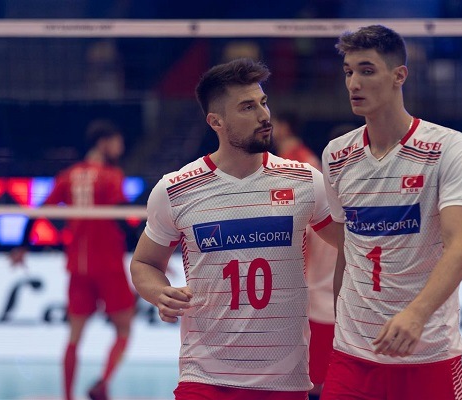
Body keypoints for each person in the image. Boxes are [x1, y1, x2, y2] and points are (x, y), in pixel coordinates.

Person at [130, 58, 340, 400]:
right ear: (216, 121)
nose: (264, 115)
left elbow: (354, 245)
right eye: (247, 107)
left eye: (263, 102)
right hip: (204, 378)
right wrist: (159, 292)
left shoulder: (305, 181)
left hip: (284, 381)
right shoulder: (176, 189)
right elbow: (144, 263)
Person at [320, 25, 462, 400]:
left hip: (428, 354)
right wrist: (341, 321)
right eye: (348, 72)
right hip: (353, 357)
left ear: (399, 76)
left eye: (367, 70)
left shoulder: (448, 147)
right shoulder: (336, 155)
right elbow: (347, 248)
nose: (354, 83)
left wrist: (416, 315)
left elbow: (460, 246)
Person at [11, 119, 136, 400]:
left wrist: (23, 245)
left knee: (74, 336)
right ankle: (102, 383)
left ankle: (67, 396)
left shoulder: (67, 175)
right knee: (124, 327)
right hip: (109, 264)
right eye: (117, 142)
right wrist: (149, 248)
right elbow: (122, 217)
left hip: (77, 266)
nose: (121, 148)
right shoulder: (111, 175)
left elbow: (39, 211)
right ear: (104, 143)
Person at [272, 112, 336, 399]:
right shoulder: (286, 162)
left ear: (284, 127)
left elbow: (302, 234)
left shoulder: (301, 167)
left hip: (312, 297)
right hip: (310, 297)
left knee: (313, 381)